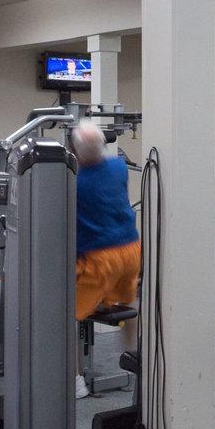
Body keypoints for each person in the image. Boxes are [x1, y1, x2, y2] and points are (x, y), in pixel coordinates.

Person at [72, 120, 141, 320]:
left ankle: (65, 348)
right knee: (129, 302)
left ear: (76, 151)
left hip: (100, 259)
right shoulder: (120, 167)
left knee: (65, 308)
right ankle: (134, 348)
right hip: (131, 251)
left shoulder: (76, 183)